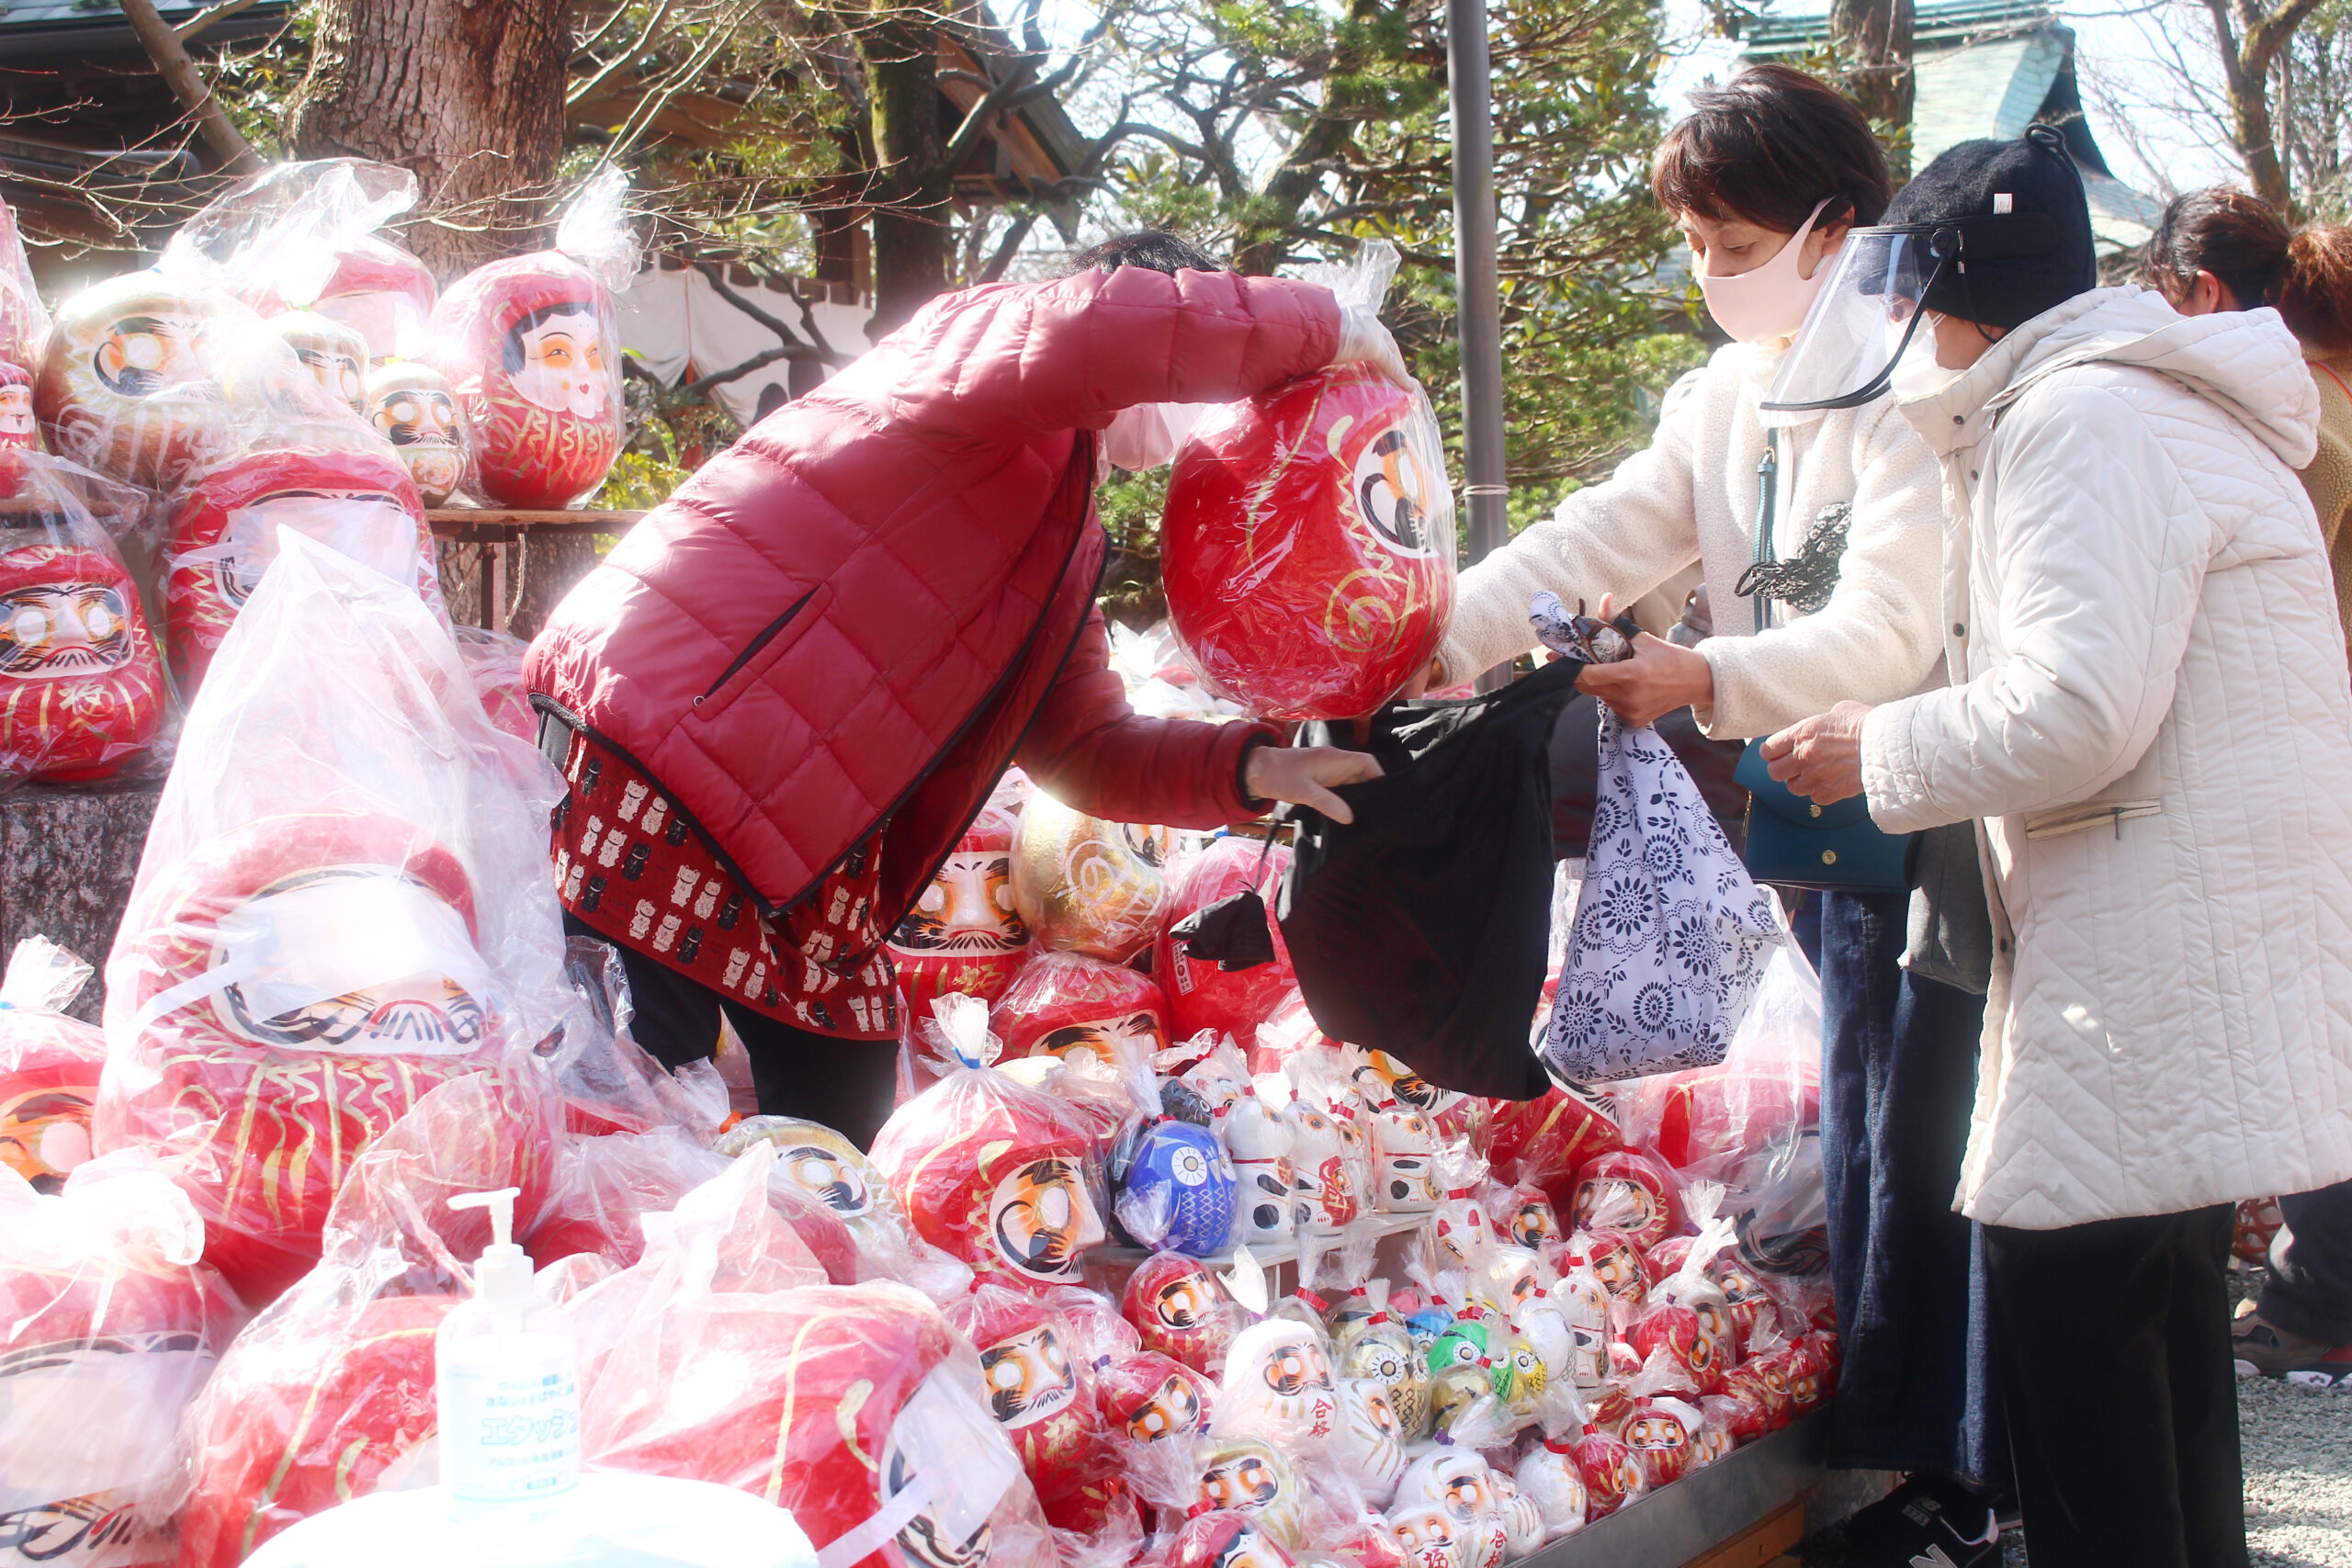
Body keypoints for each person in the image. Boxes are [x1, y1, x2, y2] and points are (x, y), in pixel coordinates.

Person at [1430, 63, 2001, 1562]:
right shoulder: (1727, 397)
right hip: (1808, 813)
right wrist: (1426, 640)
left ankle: (1951, 1469)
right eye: (1695, 243)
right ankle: (1903, 1450)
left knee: (1928, 1129)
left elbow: (1889, 628)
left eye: (1735, 245)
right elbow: (1587, 542)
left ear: (1838, 226)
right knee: (1873, 1120)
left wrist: (1706, 670)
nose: (1710, 275)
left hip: (1934, 809)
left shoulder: (1916, 386)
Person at [1763, 128, 2352, 1568]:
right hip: (2201, 941)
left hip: (2139, 960)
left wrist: (1872, 749)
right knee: (2158, 1340)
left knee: (2077, 1341)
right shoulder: (2160, 402)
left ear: (1953, 296)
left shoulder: (2073, 419)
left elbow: (2079, 711)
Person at [524, 231, 1397, 1148]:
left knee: (844, 1105)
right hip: (671, 748)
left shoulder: (1064, 531)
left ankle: (776, 1267)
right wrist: (1331, 323)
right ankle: (617, 1259)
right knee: (637, 1098)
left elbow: (1081, 745)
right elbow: (1100, 331)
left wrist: (1254, 770)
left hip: (786, 842)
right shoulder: (978, 348)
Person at [2141, 190, 2352, 1386]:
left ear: (2203, 295)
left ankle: (2320, 1289)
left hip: (2310, 743)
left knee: (2319, 1023)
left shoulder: (2290, 422)